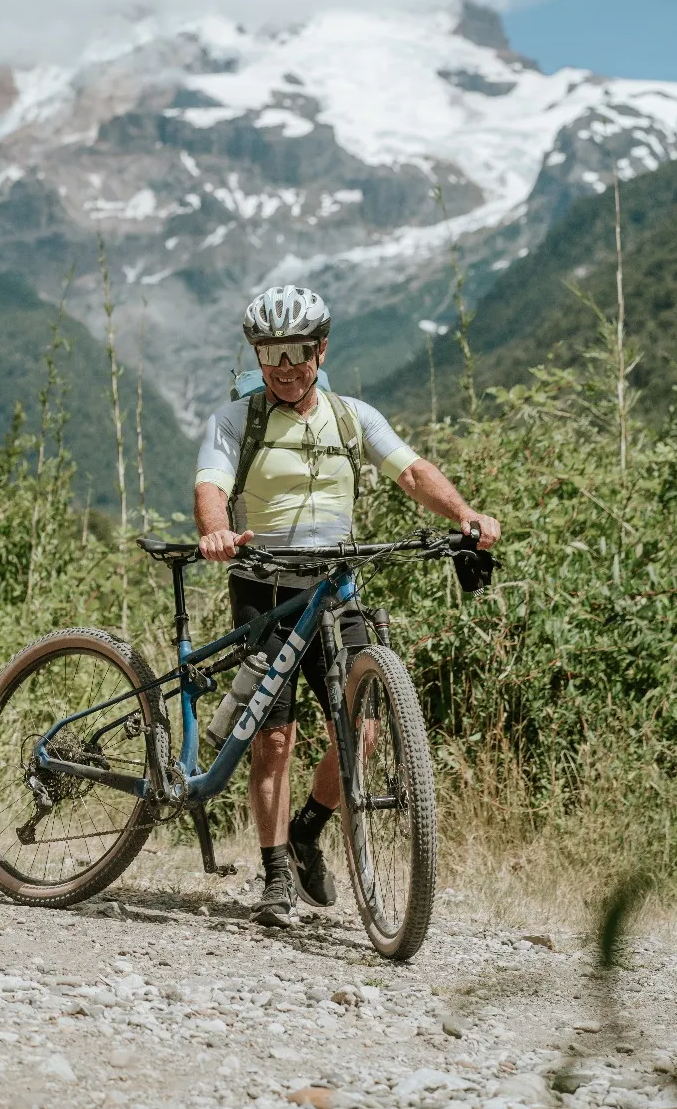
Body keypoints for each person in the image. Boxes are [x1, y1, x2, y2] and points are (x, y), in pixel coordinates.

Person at [194, 285, 500, 927]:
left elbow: (412, 473)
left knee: (361, 724)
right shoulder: (235, 422)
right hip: (263, 588)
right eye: (270, 351)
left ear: (320, 348)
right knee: (274, 736)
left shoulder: (352, 415)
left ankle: (310, 826)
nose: (284, 364)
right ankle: (275, 873)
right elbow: (211, 486)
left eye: (297, 350)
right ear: (257, 352)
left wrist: (465, 514)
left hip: (334, 587)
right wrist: (216, 532)